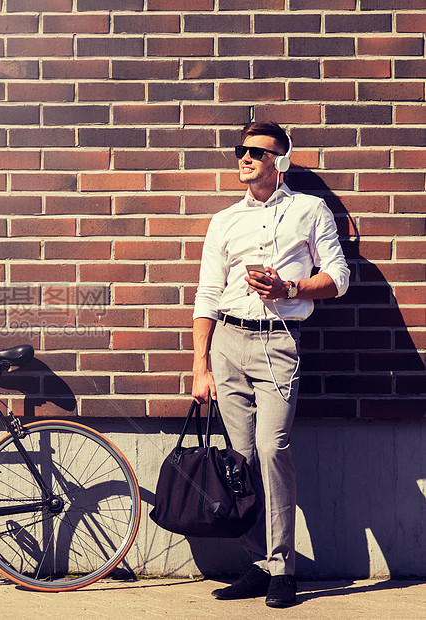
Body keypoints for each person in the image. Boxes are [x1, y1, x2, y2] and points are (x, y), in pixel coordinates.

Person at [191, 121, 350, 608]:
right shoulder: (225, 220)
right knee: (242, 460)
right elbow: (207, 294)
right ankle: (258, 563)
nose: (246, 158)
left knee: (272, 449)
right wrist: (201, 365)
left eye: (257, 152)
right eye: (242, 150)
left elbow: (339, 277)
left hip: (278, 343)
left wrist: (291, 289)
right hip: (229, 344)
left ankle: (283, 568)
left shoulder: (309, 210)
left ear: (280, 160)